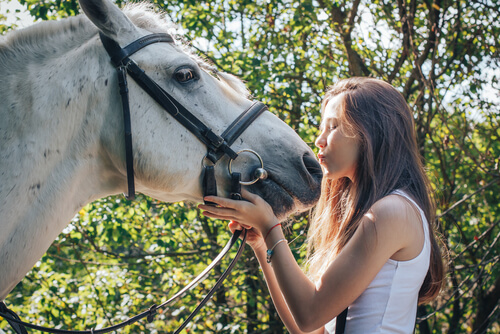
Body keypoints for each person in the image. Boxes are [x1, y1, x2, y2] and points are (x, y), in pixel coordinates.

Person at [199, 77, 445, 333]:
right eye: (322, 128)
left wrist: (270, 226)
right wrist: (262, 243)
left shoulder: (393, 212)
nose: (319, 140)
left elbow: (309, 314)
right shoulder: (367, 215)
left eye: (333, 126)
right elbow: (307, 328)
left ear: (371, 133)